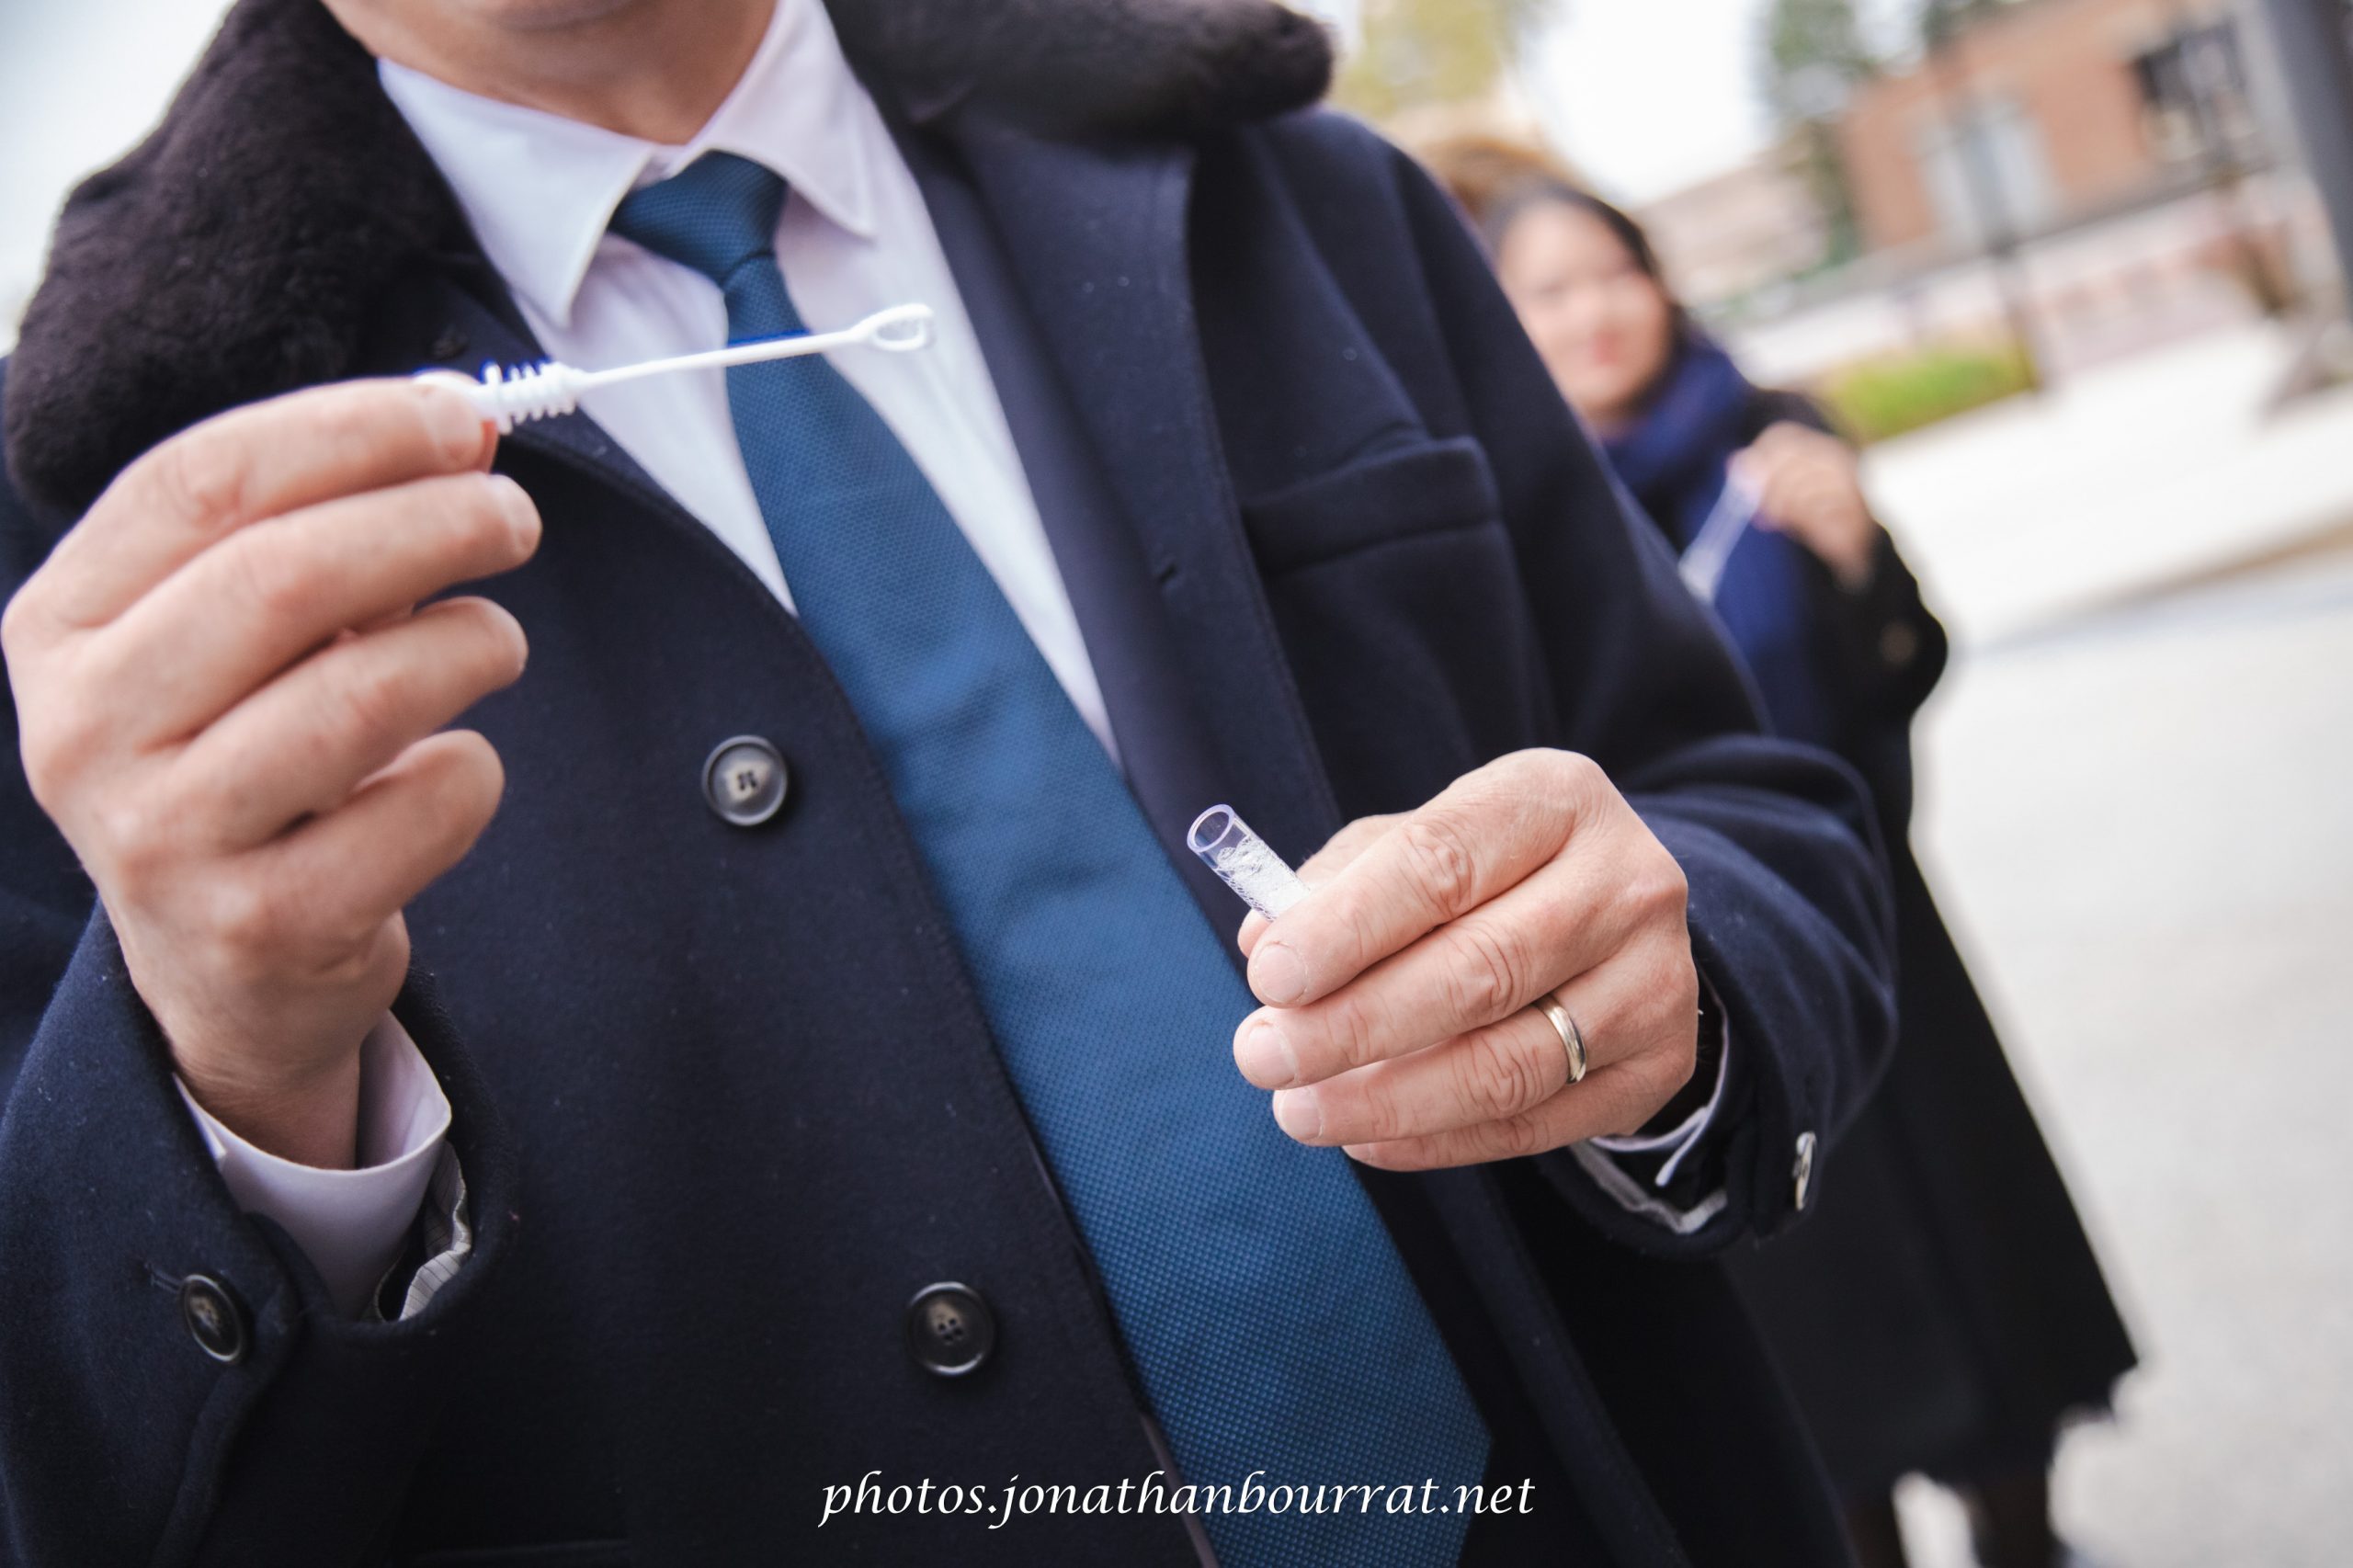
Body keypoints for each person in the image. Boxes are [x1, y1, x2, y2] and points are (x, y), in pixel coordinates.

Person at [0, 3, 1901, 1562]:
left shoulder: (1288, 189)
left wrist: (1672, 981)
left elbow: (1751, 805)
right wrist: (238, 1082)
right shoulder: (99, 546)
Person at [1465, 169, 2137, 1568]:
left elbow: (1903, 667)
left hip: (1871, 927)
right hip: (1704, 978)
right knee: (1819, 1361)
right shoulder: (1516, 522)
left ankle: (2029, 1538)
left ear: (1662, 282)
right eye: (1548, 291)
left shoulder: (1774, 443)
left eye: (1613, 273)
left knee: (1985, 1285)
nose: (1592, 313)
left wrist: (1855, 555)